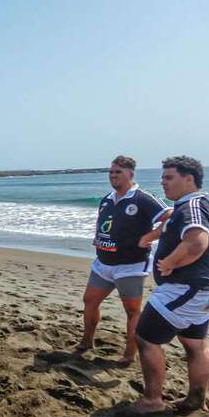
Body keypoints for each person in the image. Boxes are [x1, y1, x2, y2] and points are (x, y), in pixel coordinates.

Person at [132, 156, 209, 414]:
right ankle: (196, 400)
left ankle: (152, 401)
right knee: (195, 343)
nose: (163, 182)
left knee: (146, 338)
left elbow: (197, 242)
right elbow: (179, 230)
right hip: (203, 289)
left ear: (189, 179)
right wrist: (152, 237)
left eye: (169, 177)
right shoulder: (204, 205)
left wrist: (170, 262)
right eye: (162, 177)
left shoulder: (191, 206)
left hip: (185, 289)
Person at [76, 155, 172, 365]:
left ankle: (129, 353)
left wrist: (149, 237)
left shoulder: (142, 198)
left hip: (130, 266)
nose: (113, 175)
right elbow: (104, 223)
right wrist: (99, 237)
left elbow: (170, 217)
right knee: (90, 301)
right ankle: (87, 341)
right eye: (111, 172)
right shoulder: (107, 199)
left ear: (130, 174)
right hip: (103, 264)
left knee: (132, 311)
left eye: (118, 172)